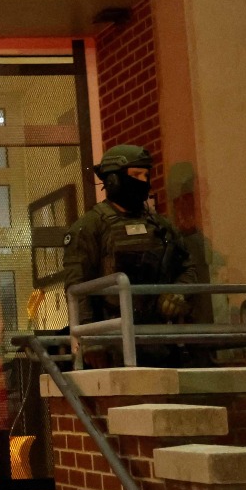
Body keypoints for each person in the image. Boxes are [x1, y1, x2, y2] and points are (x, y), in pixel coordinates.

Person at [62, 144, 198, 365]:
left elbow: (187, 268)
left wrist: (178, 294)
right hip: (111, 339)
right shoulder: (89, 227)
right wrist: (90, 340)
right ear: (113, 180)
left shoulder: (160, 225)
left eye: (146, 174)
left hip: (160, 338)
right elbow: (77, 288)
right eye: (136, 175)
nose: (143, 181)